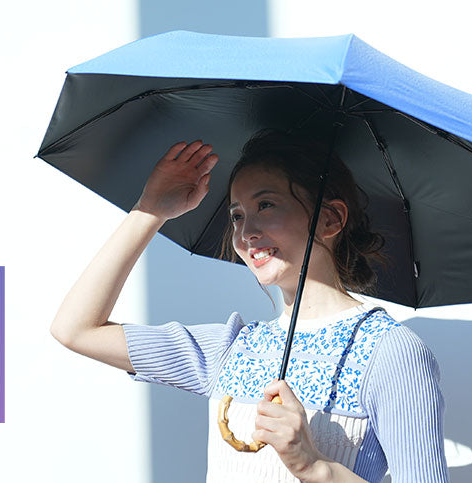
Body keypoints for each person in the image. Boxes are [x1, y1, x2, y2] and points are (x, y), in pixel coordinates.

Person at [50, 129, 449, 482]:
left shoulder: (391, 353)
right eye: (237, 215)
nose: (246, 233)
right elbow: (76, 329)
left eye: (266, 205)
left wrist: (317, 468)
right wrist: (150, 210)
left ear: (330, 219)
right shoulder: (231, 349)